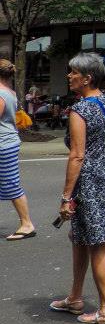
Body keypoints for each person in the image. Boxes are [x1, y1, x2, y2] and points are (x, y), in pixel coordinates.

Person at [50, 53, 105, 324]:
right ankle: (75, 297)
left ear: (87, 78)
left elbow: (77, 155)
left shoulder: (81, 109)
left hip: (89, 180)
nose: (69, 76)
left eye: (73, 73)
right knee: (80, 238)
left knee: (97, 244)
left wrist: (66, 196)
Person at [0, 59, 35, 241]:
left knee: (11, 184)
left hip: (3, 144)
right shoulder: (10, 92)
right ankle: (26, 222)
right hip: (9, 141)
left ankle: (27, 223)